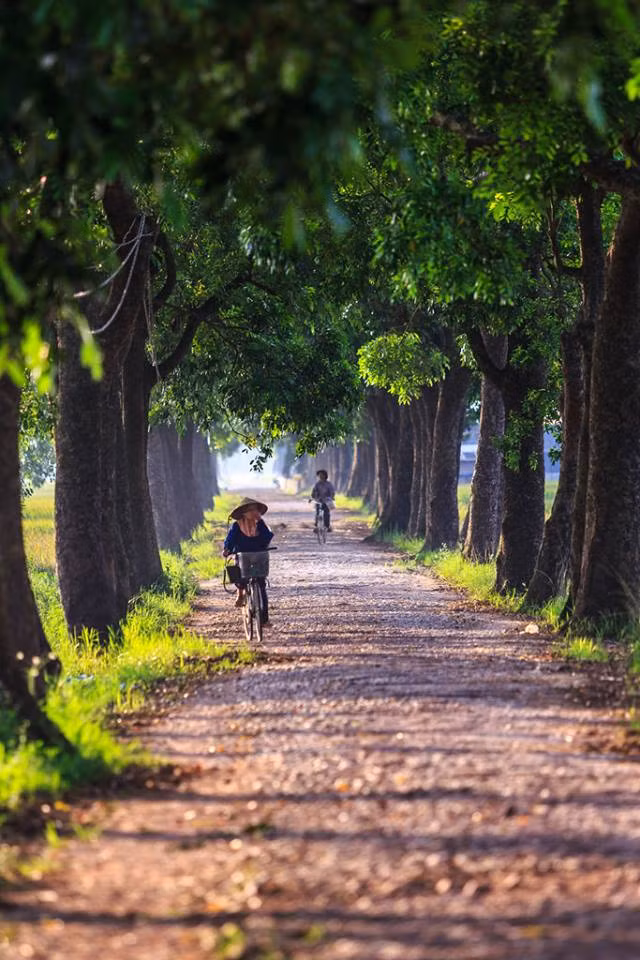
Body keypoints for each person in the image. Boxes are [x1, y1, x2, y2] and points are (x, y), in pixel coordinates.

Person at [223, 497, 274, 623]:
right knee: (240, 576)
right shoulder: (237, 525)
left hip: (259, 555)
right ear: (244, 513)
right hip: (243, 555)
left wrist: (260, 522)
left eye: (255, 510)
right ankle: (240, 593)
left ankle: (265, 620)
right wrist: (227, 549)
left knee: (261, 585)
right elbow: (230, 540)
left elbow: (267, 538)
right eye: (250, 510)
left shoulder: (260, 524)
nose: (253, 512)